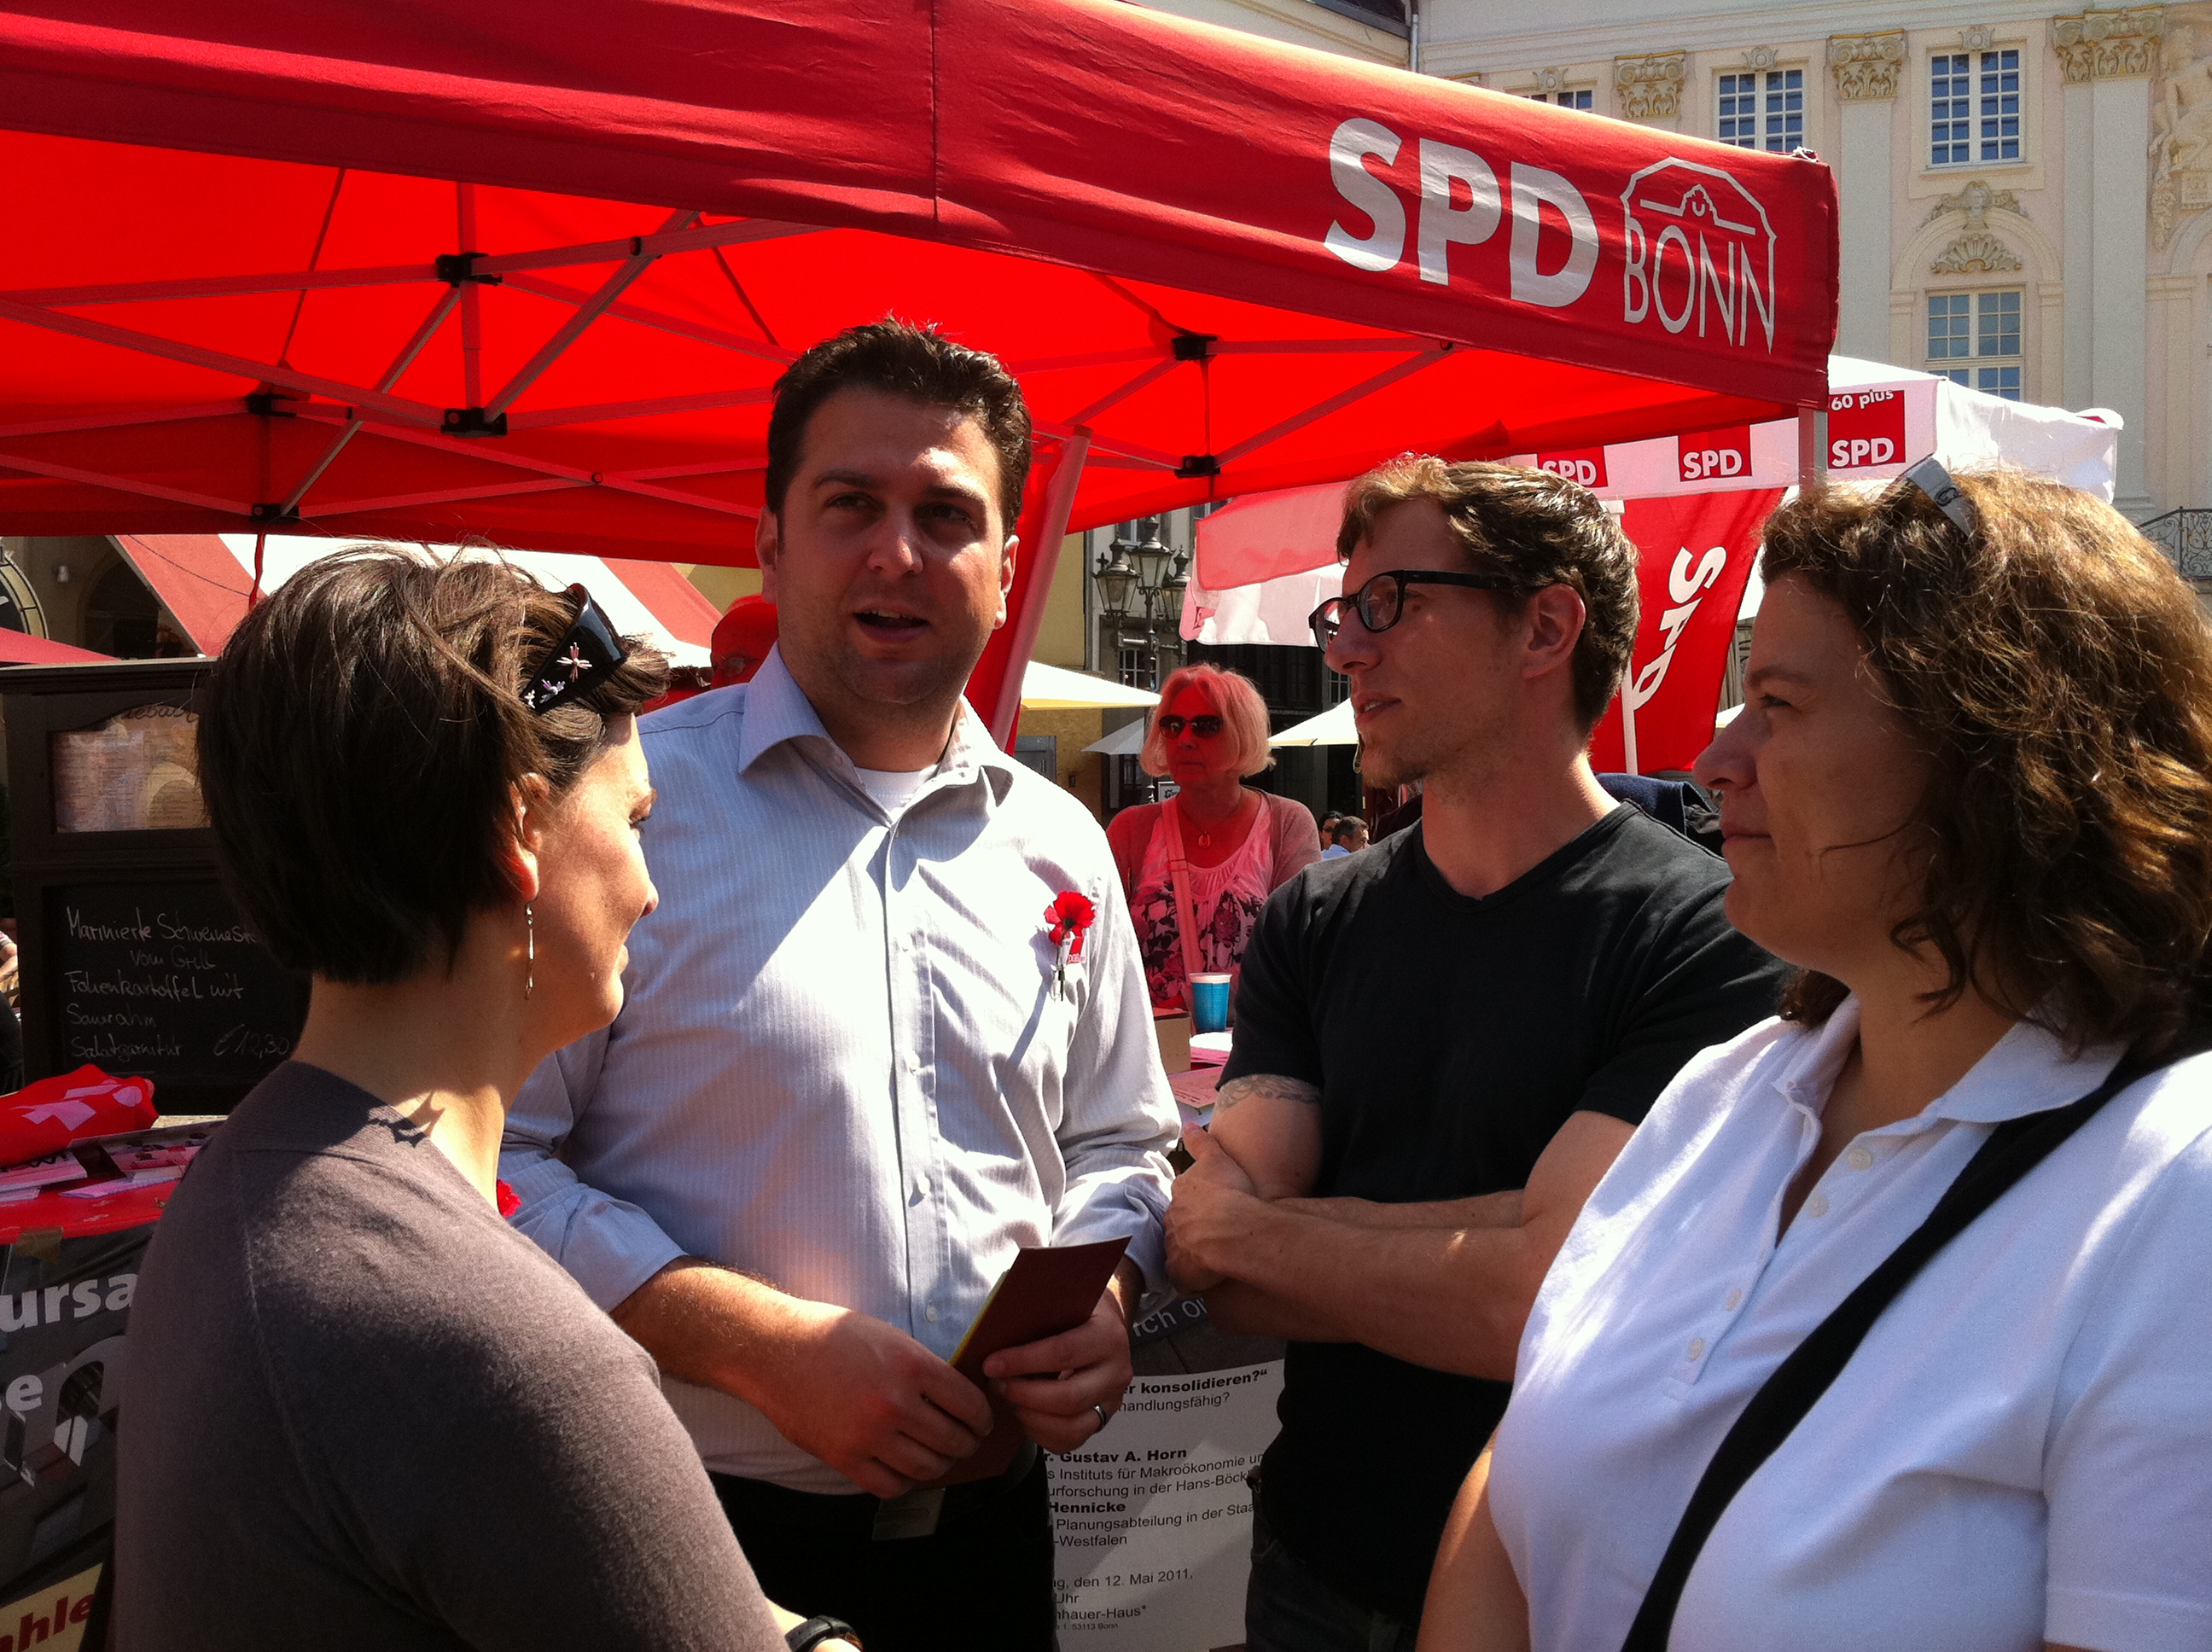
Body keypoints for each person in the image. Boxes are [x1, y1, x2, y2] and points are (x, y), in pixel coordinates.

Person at [1425, 470, 2212, 1652]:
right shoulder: (1726, 1092)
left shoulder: (2172, 1201)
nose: (1714, 759)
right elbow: (1519, 1472)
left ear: (1990, 750)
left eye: (1777, 704)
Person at [502, 320, 1177, 1652]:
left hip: (994, 1543)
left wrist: (1109, 1294)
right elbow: (493, 1164)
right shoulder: (623, 813)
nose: (898, 553)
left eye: (946, 514)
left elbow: (1124, 1141)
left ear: (1004, 566)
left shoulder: (1064, 844)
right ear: (770, 542)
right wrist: (750, 1346)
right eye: (851, 505)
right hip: (693, 1535)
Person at [116, 550, 808, 1650]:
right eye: (636, 820)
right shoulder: (503, 1350)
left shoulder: (239, 1180)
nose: (650, 886)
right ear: (518, 829)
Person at [1161, 457, 1787, 1651]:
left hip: (1575, 1594)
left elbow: (1543, 1301)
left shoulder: (1708, 934)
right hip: (1310, 1559)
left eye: (1388, 603)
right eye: (1341, 613)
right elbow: (1216, 1269)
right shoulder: (1312, 919)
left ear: (1546, 627)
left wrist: (1274, 1231)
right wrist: (1497, 1237)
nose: (1348, 652)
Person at [1106, 664, 1321, 1010]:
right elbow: (1102, 948)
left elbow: (1296, 949)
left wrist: (1191, 1002)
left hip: (1255, 1035)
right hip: (1155, 1037)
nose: (1184, 739)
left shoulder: (1286, 824)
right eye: (1172, 726)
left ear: (1243, 733)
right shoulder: (1131, 829)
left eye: (1206, 726)